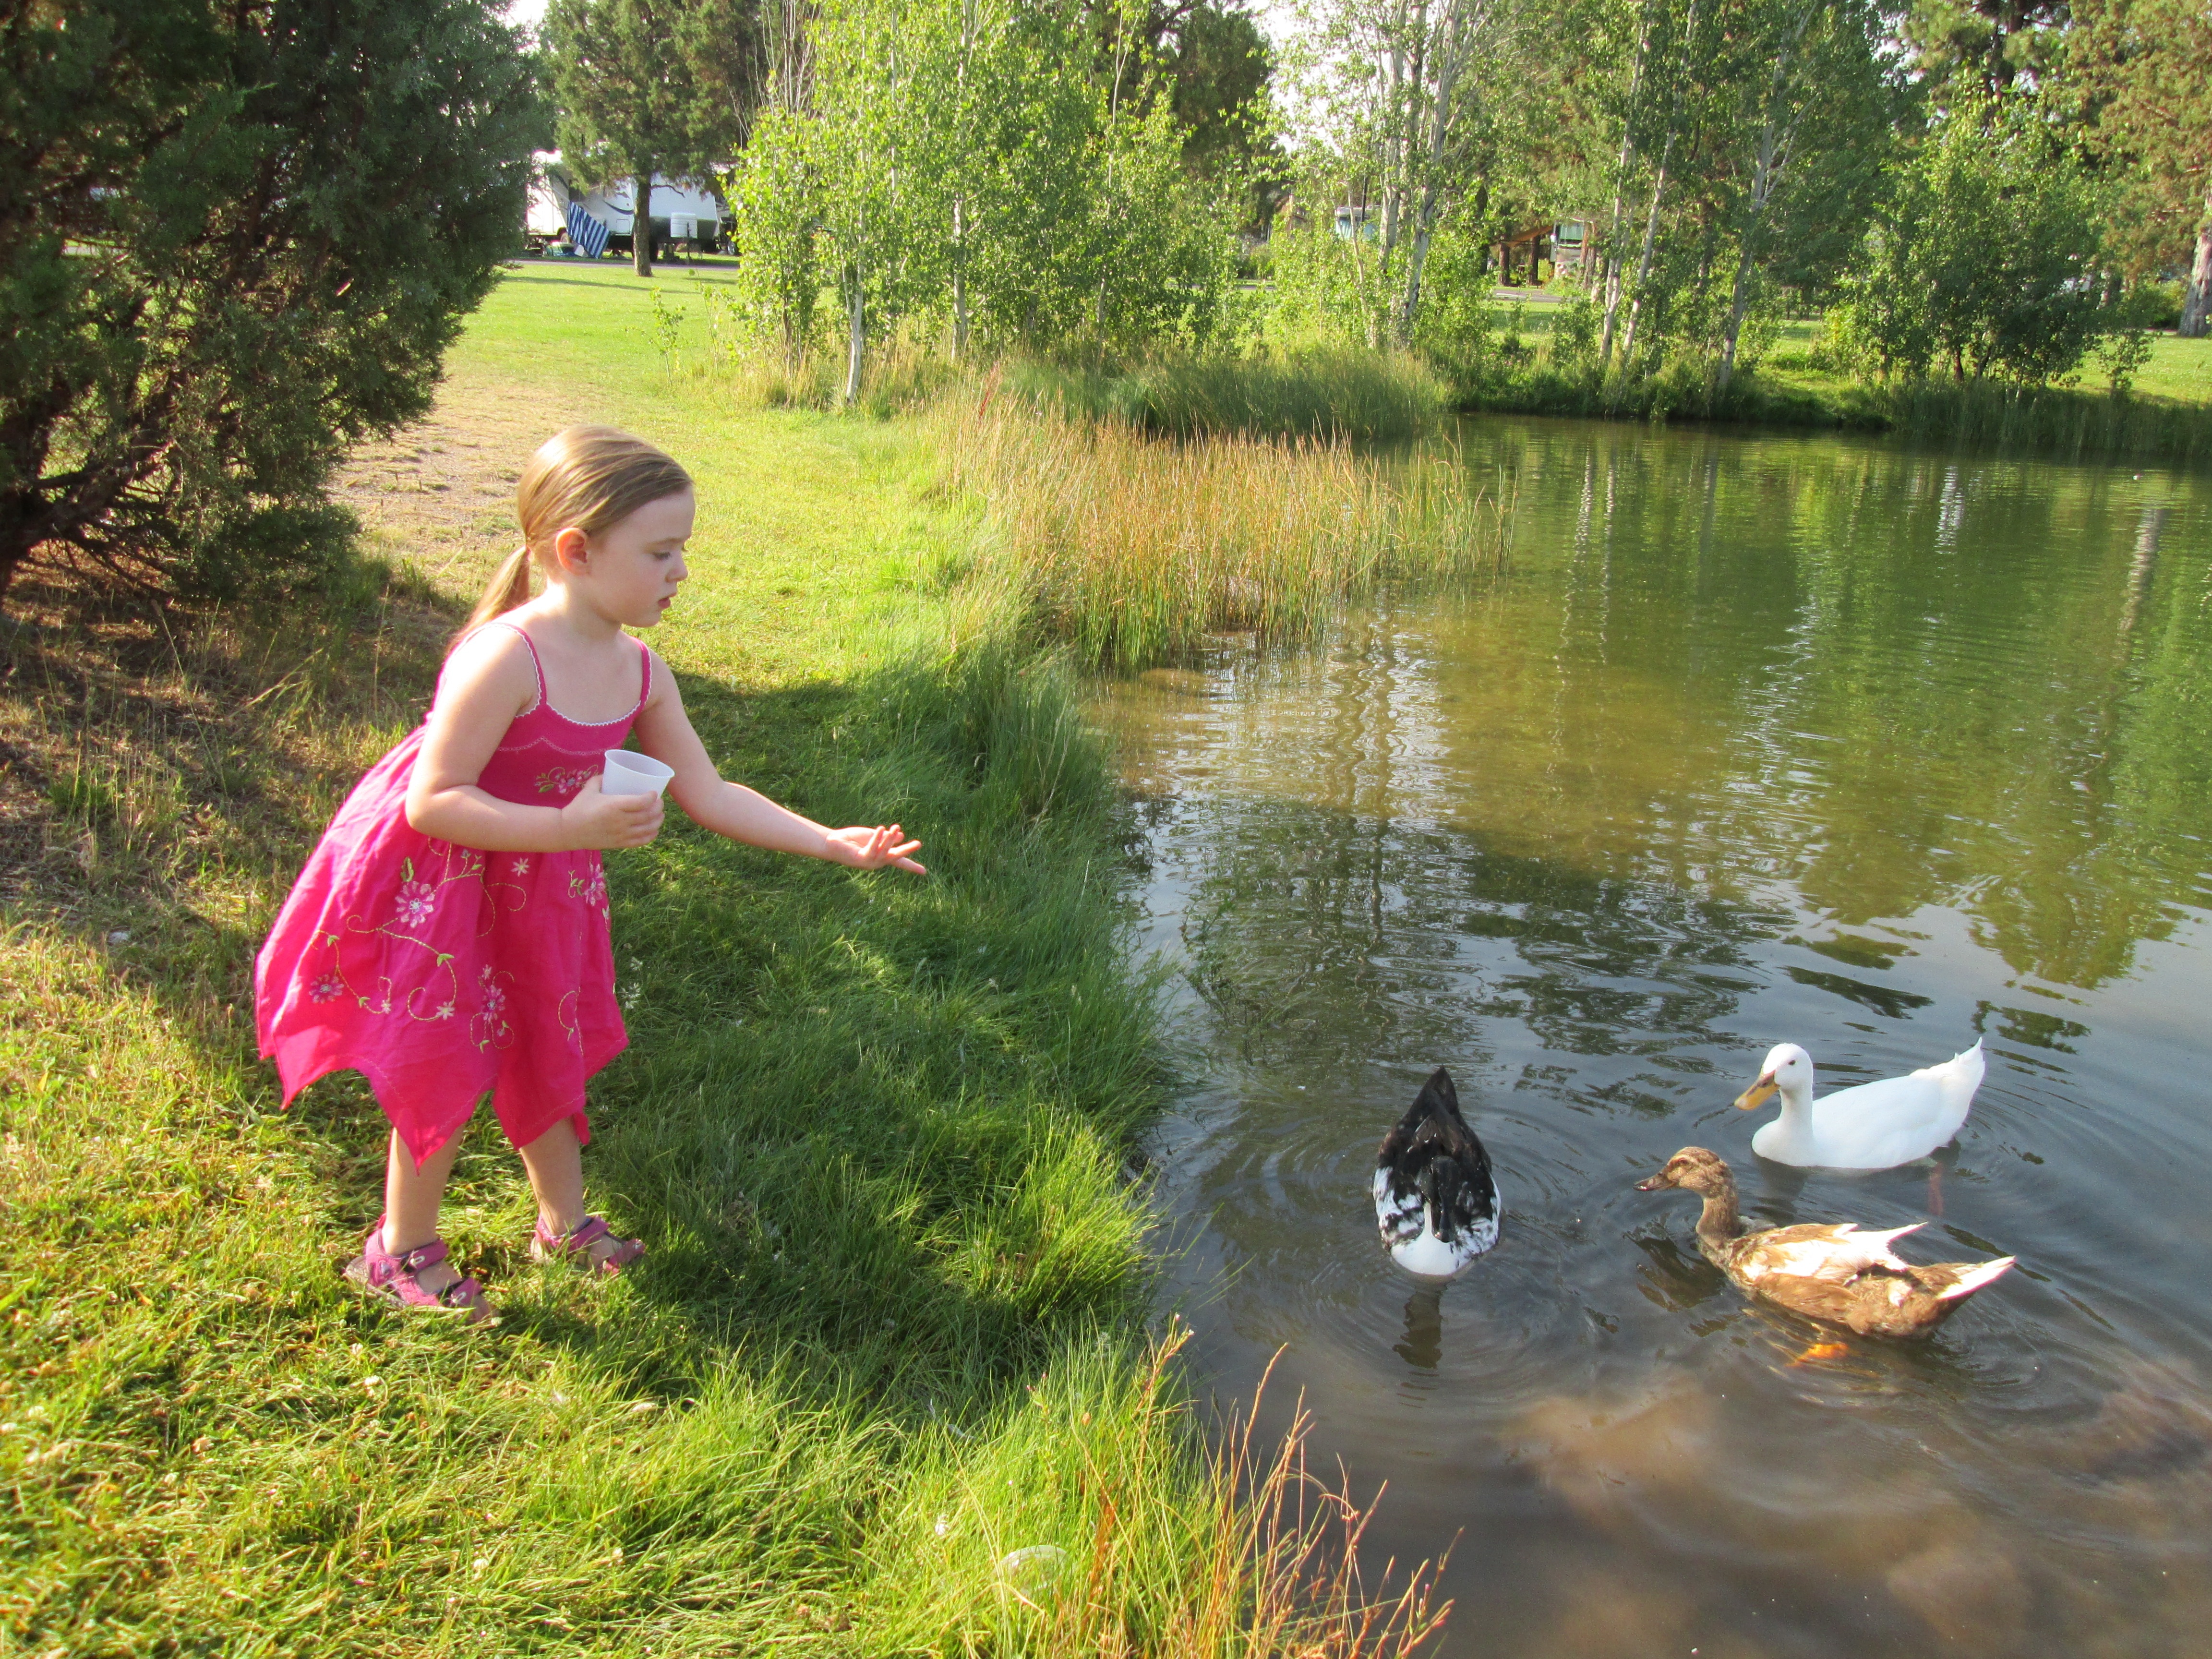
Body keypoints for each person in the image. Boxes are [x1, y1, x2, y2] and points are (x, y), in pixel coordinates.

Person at [254, 426, 924, 1322]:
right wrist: (570, 823)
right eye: (660, 551)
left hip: (545, 891)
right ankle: (400, 1249)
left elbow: (712, 792)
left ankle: (561, 1222)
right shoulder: (505, 656)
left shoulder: (641, 672)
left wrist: (832, 843)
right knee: (444, 1060)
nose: (679, 570)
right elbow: (433, 801)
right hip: (450, 887)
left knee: (547, 1039)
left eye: (682, 549)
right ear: (575, 552)